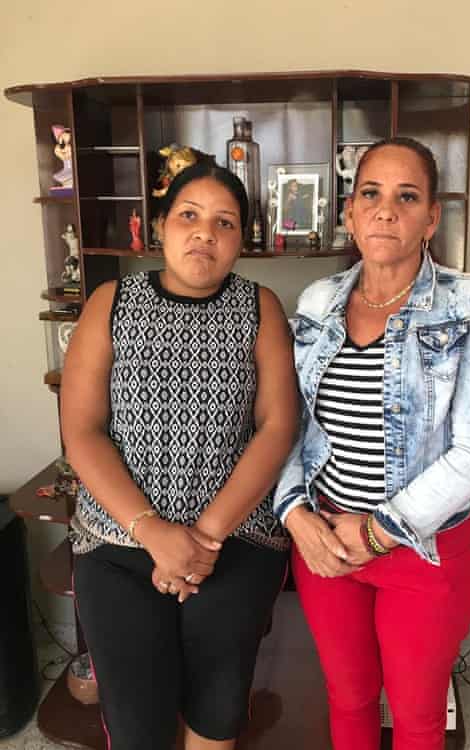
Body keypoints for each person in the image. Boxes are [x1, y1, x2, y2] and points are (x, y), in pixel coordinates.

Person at [274, 136, 470, 750]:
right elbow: (288, 426)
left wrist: (378, 531)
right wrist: (296, 514)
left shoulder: (469, 302)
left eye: (407, 197)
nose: (386, 211)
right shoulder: (318, 302)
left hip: (423, 553)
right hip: (326, 549)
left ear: (432, 217)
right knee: (347, 702)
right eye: (371, 194)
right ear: (350, 211)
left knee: (415, 717)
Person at [61, 161, 298, 750]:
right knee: (136, 718)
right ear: (161, 225)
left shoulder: (260, 307)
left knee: (218, 706)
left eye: (225, 223)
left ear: (241, 240)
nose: (205, 234)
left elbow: (276, 426)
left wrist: (204, 539)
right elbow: (82, 431)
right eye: (189, 216)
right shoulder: (110, 303)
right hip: (117, 543)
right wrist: (153, 533)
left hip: (236, 541)